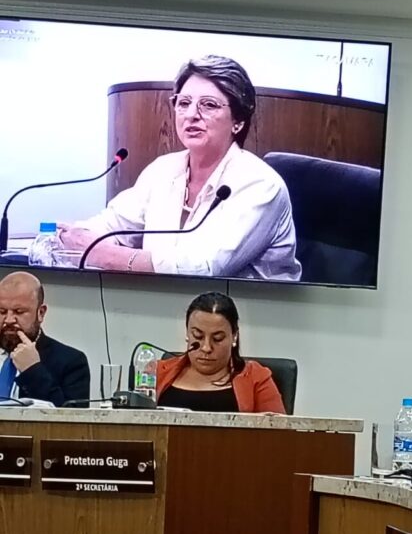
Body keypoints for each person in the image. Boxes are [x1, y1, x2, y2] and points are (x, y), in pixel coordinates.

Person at [58, 55, 302, 281]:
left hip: (245, 310)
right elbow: (111, 224)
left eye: (208, 105)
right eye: (183, 103)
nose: (191, 114)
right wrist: (74, 237)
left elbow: (203, 268)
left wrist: (102, 254)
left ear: (238, 121)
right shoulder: (163, 170)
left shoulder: (260, 184)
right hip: (165, 303)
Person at [155, 292, 285, 413]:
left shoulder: (256, 377)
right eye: (198, 336)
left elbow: (278, 428)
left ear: (234, 336)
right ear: (187, 333)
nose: (206, 348)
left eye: (218, 338)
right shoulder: (157, 373)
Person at [0, 271, 90, 406]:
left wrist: (33, 370)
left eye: (19, 312)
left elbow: (71, 416)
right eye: (2, 312)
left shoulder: (72, 362)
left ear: (41, 313)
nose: (9, 320)